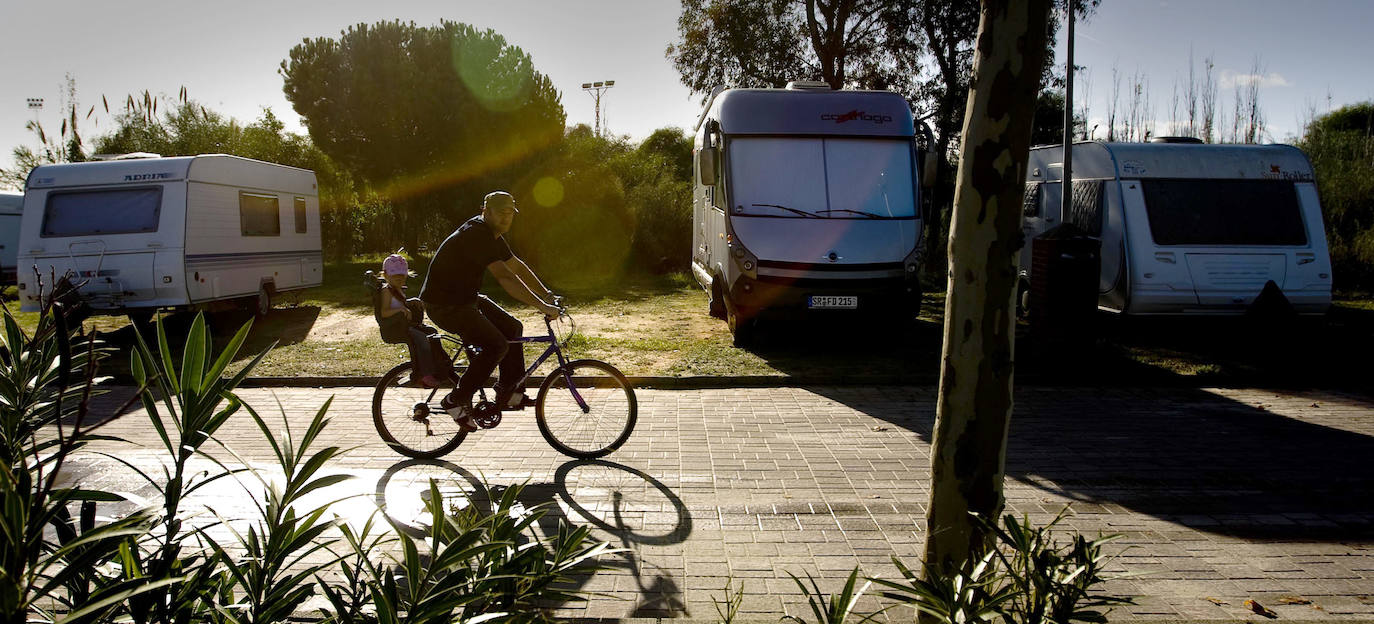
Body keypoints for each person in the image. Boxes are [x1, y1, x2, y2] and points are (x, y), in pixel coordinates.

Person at [419, 191, 560, 432]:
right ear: (487, 211)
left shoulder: (491, 234)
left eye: (511, 213)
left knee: (513, 328)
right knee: (497, 345)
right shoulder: (477, 234)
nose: (507, 218)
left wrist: (547, 294)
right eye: (501, 212)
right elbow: (505, 277)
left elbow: (516, 266)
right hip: (444, 305)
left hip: (465, 298)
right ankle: (455, 400)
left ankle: (509, 390)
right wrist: (541, 306)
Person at [378, 254, 441, 388]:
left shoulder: (396, 289)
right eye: (396, 276)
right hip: (396, 327)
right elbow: (384, 312)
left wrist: (409, 302)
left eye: (402, 276)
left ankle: (438, 364)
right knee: (422, 339)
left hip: (405, 324)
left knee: (432, 333)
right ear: (386, 275)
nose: (400, 279)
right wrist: (400, 310)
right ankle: (425, 374)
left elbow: (400, 302)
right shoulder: (386, 291)